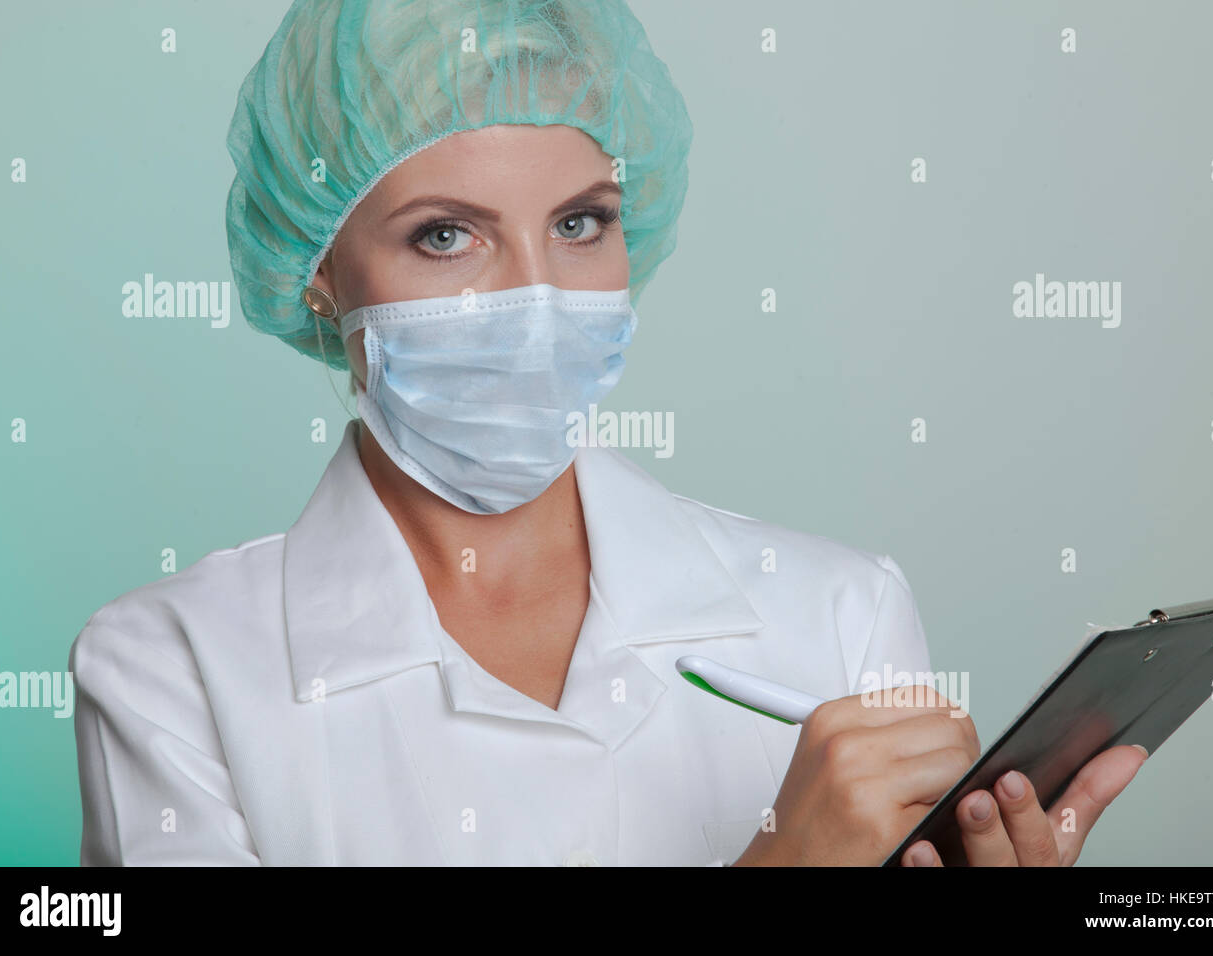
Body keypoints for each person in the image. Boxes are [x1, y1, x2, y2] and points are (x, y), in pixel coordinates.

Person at [69, 0, 1145, 866]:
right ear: (314, 271)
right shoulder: (173, 670)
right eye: (445, 235)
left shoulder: (839, 613)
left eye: (580, 221)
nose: (537, 299)